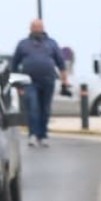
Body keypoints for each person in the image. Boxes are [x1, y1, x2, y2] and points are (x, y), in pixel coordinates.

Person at [9, 19, 70, 148]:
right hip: (29, 82)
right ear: (30, 28)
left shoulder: (52, 44)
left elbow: (61, 63)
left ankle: (43, 136)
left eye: (39, 27)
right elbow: (14, 64)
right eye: (34, 27)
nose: (37, 29)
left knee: (45, 109)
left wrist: (65, 80)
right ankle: (33, 135)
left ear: (43, 28)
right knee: (33, 108)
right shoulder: (23, 44)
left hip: (48, 81)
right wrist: (17, 84)